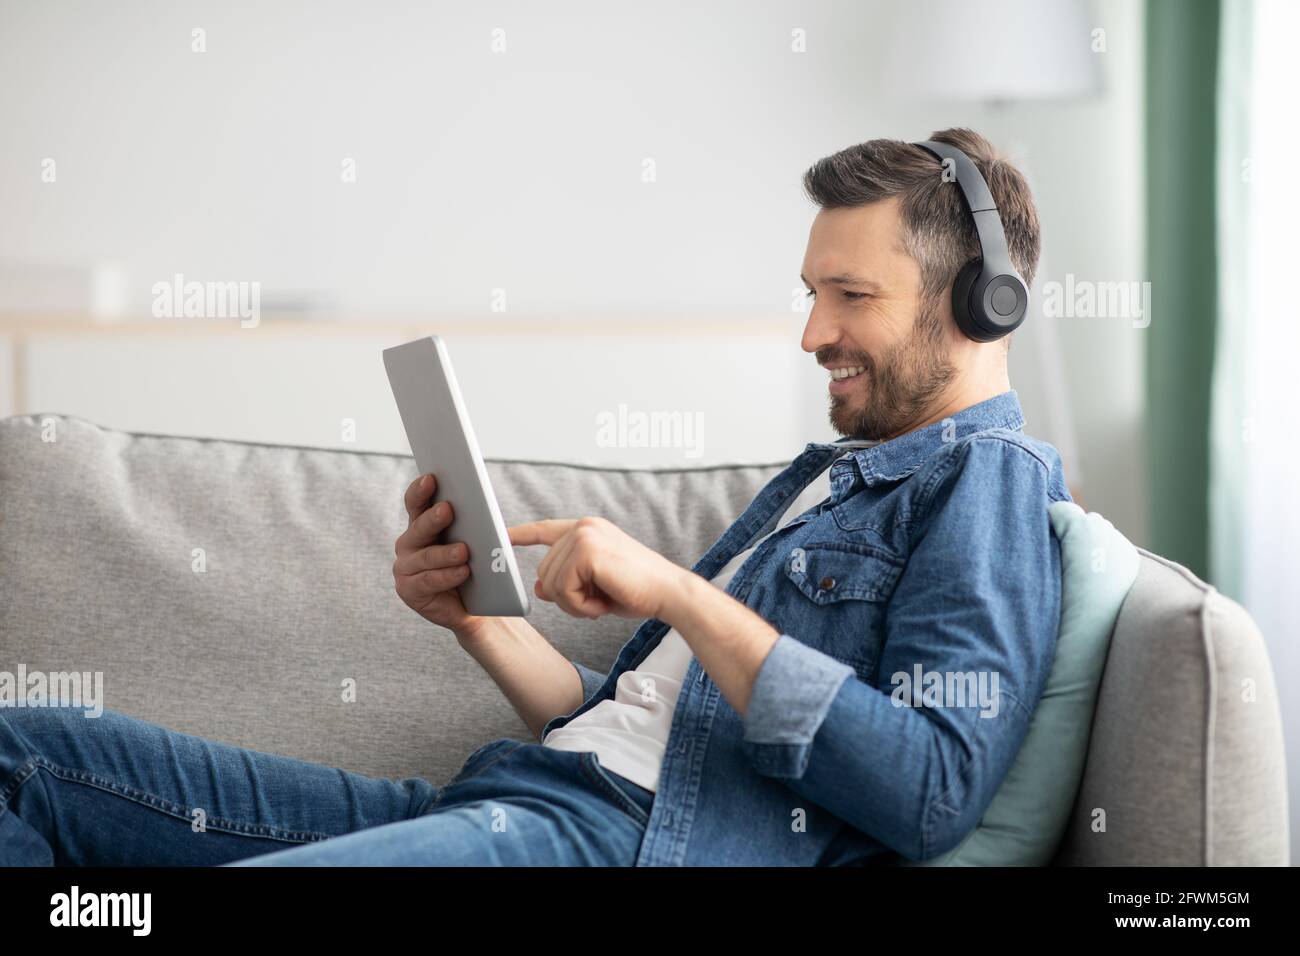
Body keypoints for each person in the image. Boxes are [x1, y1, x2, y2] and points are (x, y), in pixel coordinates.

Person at [0, 128, 1069, 867]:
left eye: (851, 295)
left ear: (982, 300)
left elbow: (931, 787)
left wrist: (683, 596)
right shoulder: (827, 478)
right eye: (809, 293)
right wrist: (477, 621)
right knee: (24, 754)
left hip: (611, 843)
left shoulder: (985, 484)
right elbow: (619, 725)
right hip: (517, 799)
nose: (810, 333)